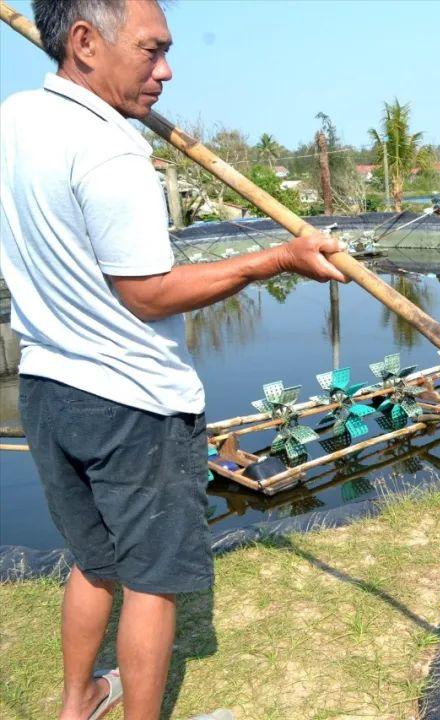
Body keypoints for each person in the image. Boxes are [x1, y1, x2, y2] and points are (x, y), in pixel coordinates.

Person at [0, 2, 345, 718]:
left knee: (94, 562)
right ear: (86, 42)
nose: (166, 71)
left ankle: (79, 699)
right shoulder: (111, 149)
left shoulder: (17, 118)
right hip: (129, 403)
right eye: (152, 52)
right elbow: (149, 294)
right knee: (150, 582)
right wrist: (278, 257)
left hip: (46, 387)